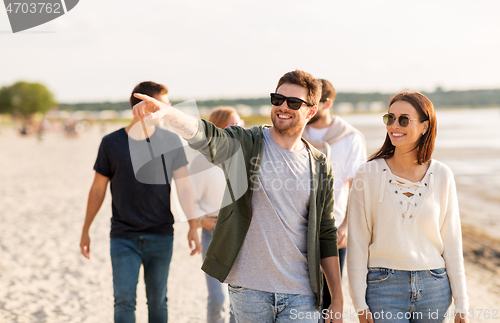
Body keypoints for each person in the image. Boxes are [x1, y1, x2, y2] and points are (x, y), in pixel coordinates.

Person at [132, 70, 344, 323]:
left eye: (293, 102)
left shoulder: (320, 165)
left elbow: (326, 233)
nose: (282, 107)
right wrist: (168, 112)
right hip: (249, 288)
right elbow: (207, 136)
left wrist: (337, 298)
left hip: (301, 292)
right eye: (277, 99)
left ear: (311, 111)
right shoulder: (247, 143)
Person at [79, 81, 202, 323]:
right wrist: (86, 230)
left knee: (158, 302)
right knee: (124, 301)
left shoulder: (171, 141)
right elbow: (97, 190)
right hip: (123, 237)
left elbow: (184, 186)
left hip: (161, 235)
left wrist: (192, 226)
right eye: (162, 105)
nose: (167, 111)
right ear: (143, 106)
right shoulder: (110, 143)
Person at [347, 91, 469, 323]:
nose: (394, 125)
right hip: (383, 289)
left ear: (424, 126)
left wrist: (462, 302)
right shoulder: (368, 173)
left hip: (435, 287)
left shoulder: (442, 175)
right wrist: (359, 303)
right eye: (389, 118)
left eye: (404, 119)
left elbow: (452, 241)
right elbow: (358, 242)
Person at [302, 79, 366, 318]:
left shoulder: (350, 138)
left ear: (327, 103)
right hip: (297, 225)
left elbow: (357, 187)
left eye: (312, 102)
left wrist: (347, 226)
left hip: (333, 228)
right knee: (302, 296)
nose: (306, 107)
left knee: (330, 299)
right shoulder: (295, 132)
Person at [190, 107, 243, 323]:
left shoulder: (246, 158)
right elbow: (188, 201)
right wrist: (200, 220)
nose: (240, 128)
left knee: (237, 301)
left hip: (241, 237)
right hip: (212, 237)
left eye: (241, 123)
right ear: (218, 129)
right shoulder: (199, 162)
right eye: (233, 125)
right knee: (217, 299)